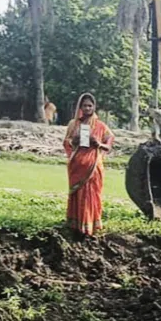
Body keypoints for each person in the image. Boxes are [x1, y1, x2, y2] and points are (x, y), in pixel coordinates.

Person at [63, 93, 114, 236]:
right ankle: (75, 224)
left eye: (90, 106)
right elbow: (66, 143)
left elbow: (108, 145)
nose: (87, 108)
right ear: (80, 107)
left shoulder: (101, 126)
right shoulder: (74, 124)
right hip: (77, 166)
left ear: (94, 107)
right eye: (84, 105)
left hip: (93, 166)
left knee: (92, 195)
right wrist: (75, 141)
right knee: (77, 194)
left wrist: (98, 143)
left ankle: (91, 225)